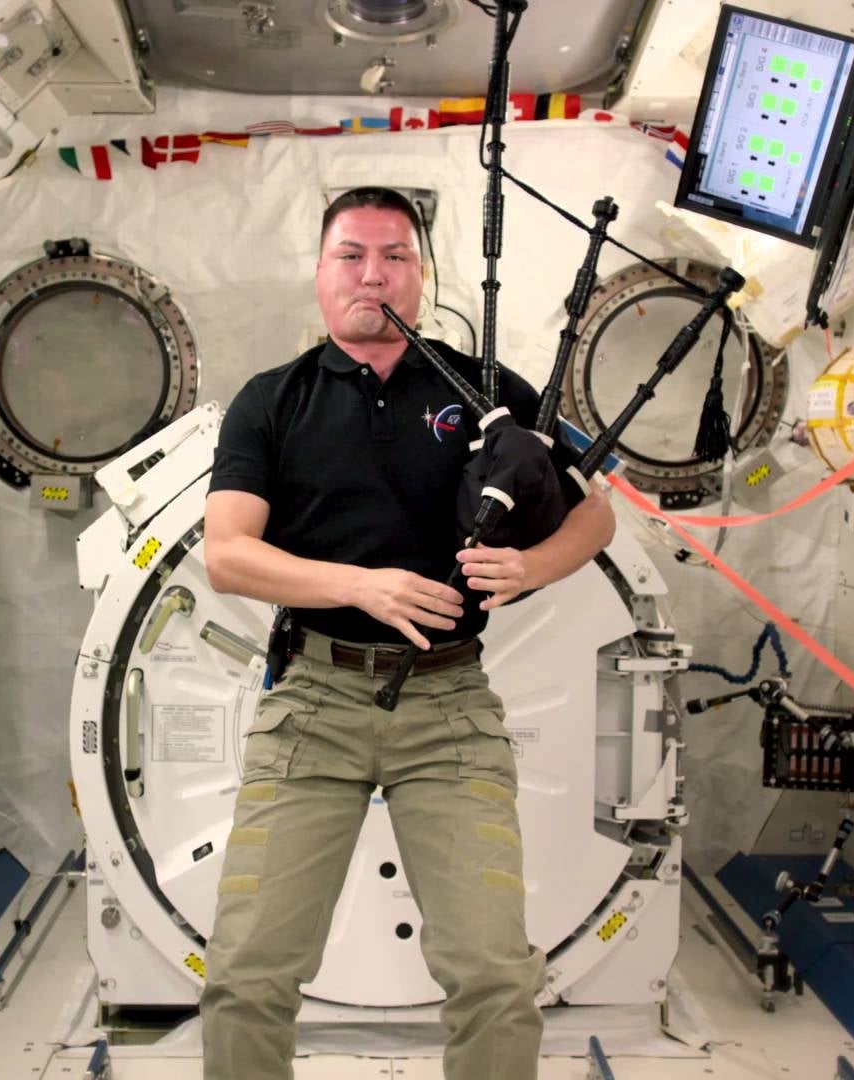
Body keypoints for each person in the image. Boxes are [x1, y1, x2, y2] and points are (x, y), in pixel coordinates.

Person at [198, 186, 617, 1079]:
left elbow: (596, 513)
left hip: (448, 705)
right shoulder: (272, 401)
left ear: (421, 275)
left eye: (395, 257)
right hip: (312, 704)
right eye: (351, 255)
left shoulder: (490, 393)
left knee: (495, 976)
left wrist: (533, 566)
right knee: (246, 974)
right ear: (321, 272)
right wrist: (361, 585)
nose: (373, 275)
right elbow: (227, 555)